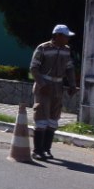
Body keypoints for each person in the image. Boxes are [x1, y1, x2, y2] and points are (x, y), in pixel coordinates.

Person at [30, 24, 78, 160]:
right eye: (65, 36)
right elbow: (34, 68)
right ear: (57, 36)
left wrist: (72, 85)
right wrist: (42, 84)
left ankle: (46, 149)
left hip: (58, 87)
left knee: (53, 119)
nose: (68, 39)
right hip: (44, 87)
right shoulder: (43, 48)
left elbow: (69, 68)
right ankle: (37, 151)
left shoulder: (66, 50)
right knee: (41, 118)